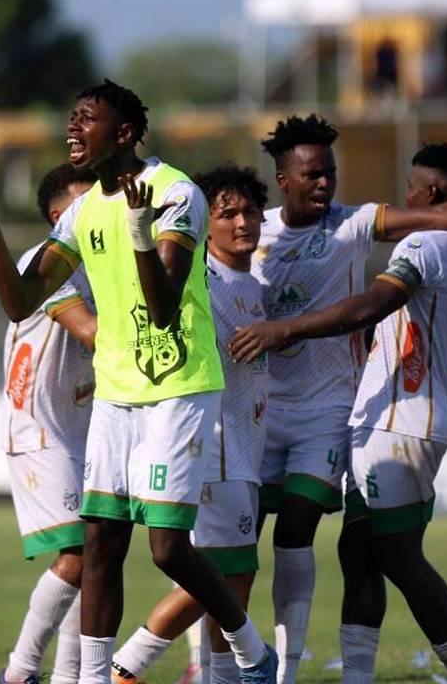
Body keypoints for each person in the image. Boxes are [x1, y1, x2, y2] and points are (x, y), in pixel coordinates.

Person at [0, 79, 278, 684]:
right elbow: (20, 300)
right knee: (100, 540)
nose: (72, 128)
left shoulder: (177, 192)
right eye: (72, 117)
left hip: (178, 388)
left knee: (167, 550)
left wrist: (137, 230)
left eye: (86, 118)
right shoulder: (83, 211)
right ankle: (95, 678)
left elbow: (163, 305)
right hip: (115, 393)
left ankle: (253, 651)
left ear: (125, 133)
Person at [248, 113, 447, 683]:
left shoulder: (427, 241)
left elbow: (372, 306)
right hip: (396, 419)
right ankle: (358, 677)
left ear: (434, 195)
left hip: (400, 421)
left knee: (397, 556)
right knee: (358, 554)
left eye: (413, 187)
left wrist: (286, 328)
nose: (407, 197)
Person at [111, 165, 270, 684]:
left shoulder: (252, 283)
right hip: (214, 444)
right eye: (227, 214)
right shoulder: (203, 276)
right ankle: (127, 666)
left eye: (250, 211)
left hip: (242, 445)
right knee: (223, 573)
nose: (242, 222)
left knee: (231, 575)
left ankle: (214, 676)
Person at [0, 163, 99, 684]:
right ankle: (19, 671)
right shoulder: (44, 263)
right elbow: (92, 333)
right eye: (86, 203)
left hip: (82, 429)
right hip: (38, 429)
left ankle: (67, 676)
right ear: (59, 217)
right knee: (79, 553)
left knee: (94, 555)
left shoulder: (100, 263)